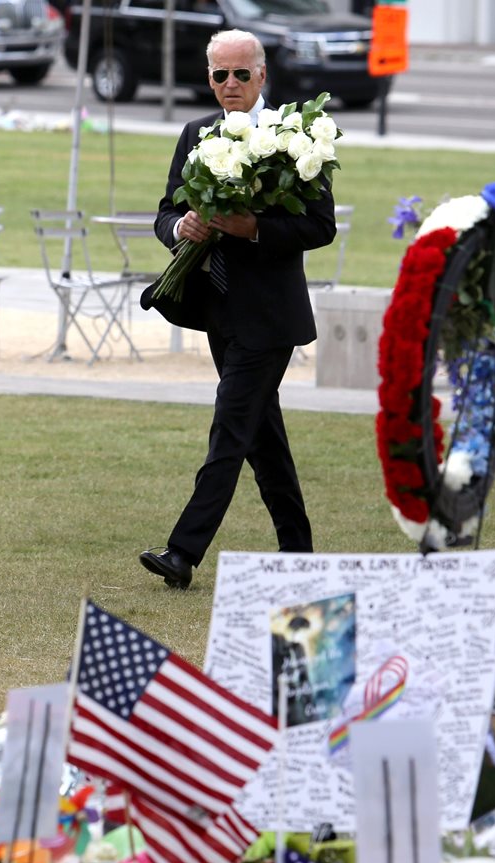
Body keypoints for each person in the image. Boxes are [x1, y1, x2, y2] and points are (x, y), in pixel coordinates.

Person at [138, 29, 337, 590]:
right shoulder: (195, 133)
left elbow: (320, 226)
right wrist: (182, 227)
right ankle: (299, 553)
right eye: (218, 75)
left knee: (230, 428)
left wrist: (253, 229)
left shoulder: (294, 138)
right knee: (262, 437)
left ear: (262, 75)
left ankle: (183, 552)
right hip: (216, 309)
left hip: (270, 318)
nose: (229, 84)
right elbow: (164, 212)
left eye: (240, 74)